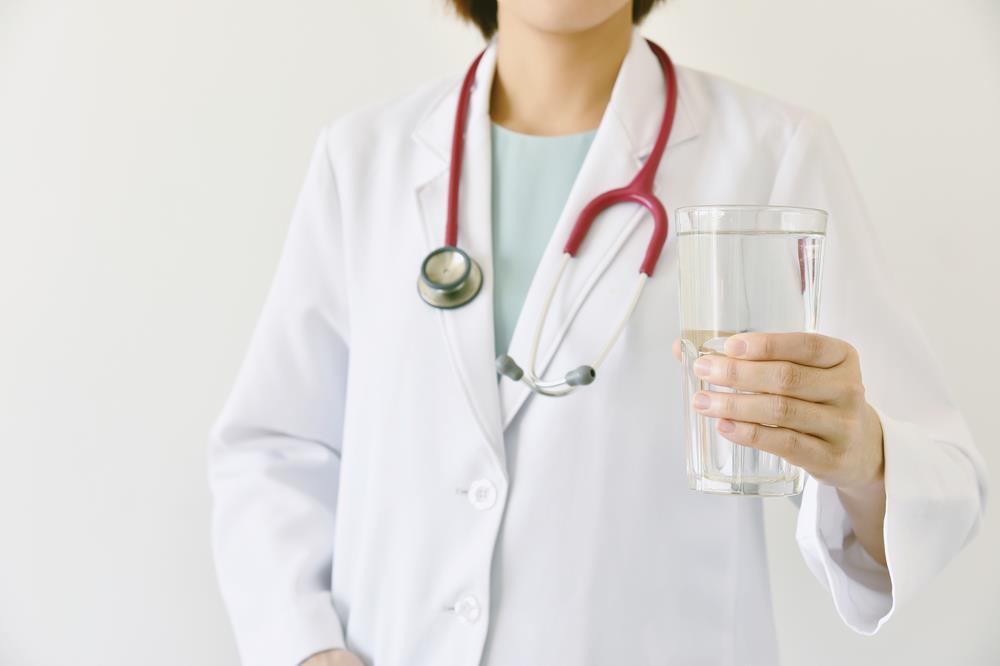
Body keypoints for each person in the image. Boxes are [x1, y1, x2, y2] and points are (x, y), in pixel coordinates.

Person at [207, 2, 989, 665]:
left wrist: (865, 459)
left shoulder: (770, 155)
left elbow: (940, 483)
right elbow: (272, 451)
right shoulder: (363, 161)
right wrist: (305, 649)